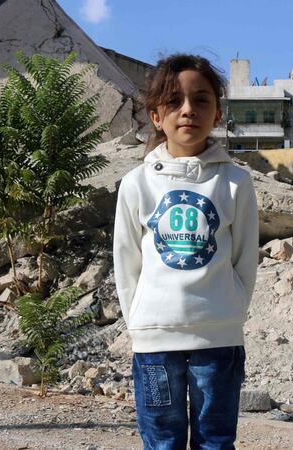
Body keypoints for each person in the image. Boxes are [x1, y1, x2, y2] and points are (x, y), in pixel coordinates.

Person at [112, 54, 259, 450]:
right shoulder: (135, 184)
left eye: (201, 100)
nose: (188, 110)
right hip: (155, 343)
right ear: (156, 115)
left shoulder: (235, 183)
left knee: (215, 441)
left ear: (218, 114)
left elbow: (246, 258)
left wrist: (231, 311)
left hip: (219, 341)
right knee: (162, 441)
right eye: (174, 101)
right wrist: (140, 320)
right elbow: (126, 263)